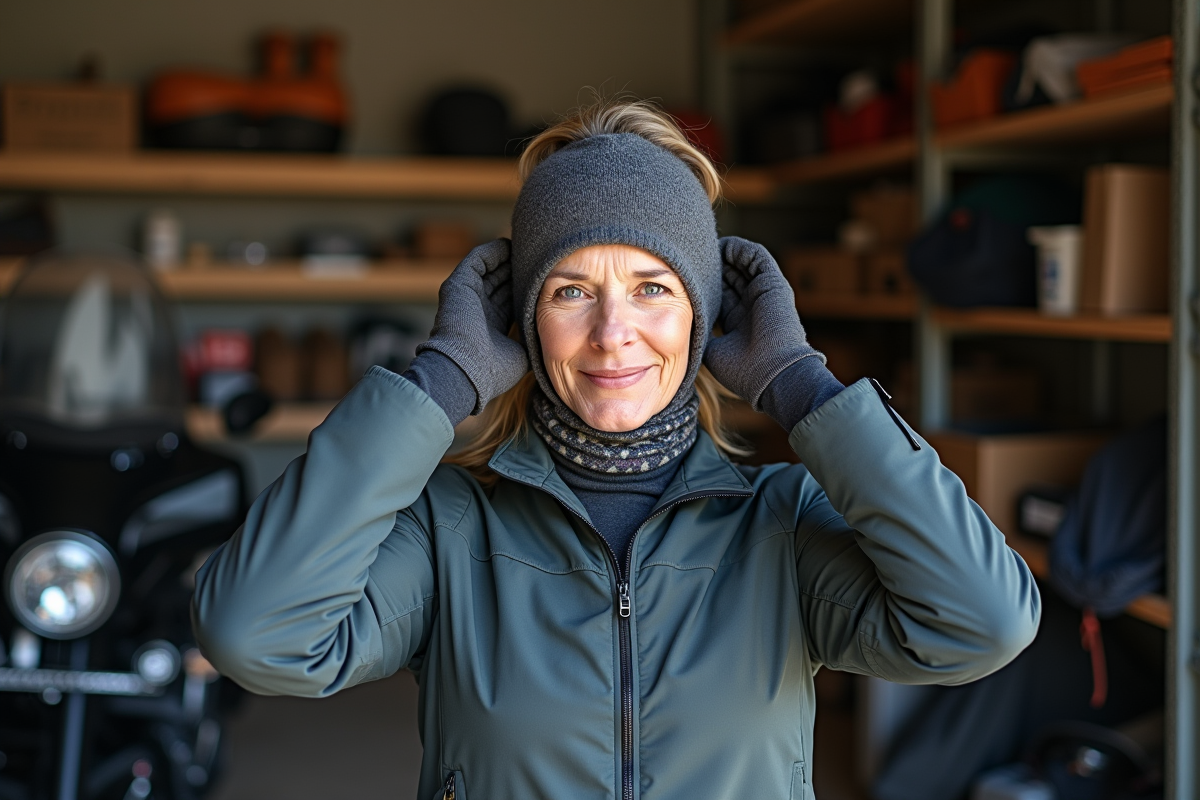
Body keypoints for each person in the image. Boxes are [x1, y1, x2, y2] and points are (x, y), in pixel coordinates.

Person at [192, 99, 1041, 800]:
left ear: (701, 318)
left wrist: (802, 384)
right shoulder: (450, 526)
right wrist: (442, 381)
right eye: (570, 291)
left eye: (652, 289)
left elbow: (983, 621)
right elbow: (255, 636)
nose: (612, 335)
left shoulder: (778, 522)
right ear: (522, 321)